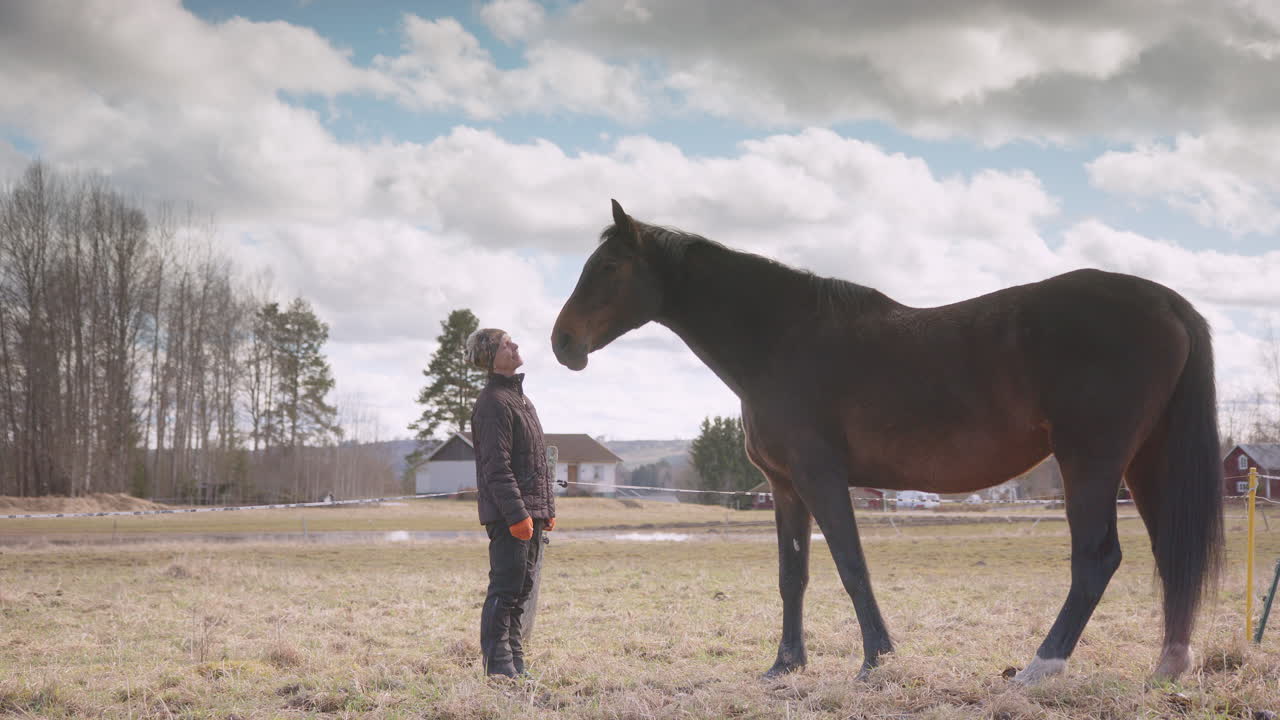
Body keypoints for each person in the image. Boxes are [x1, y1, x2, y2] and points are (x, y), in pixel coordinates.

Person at [466, 327, 557, 677]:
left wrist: (545, 509)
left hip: (530, 513)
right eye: (506, 343)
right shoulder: (491, 404)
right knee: (505, 590)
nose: (515, 345)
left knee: (522, 590)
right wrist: (518, 515)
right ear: (491, 357)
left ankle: (516, 664)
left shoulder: (520, 399)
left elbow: (534, 460)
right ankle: (499, 669)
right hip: (510, 516)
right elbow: (497, 469)